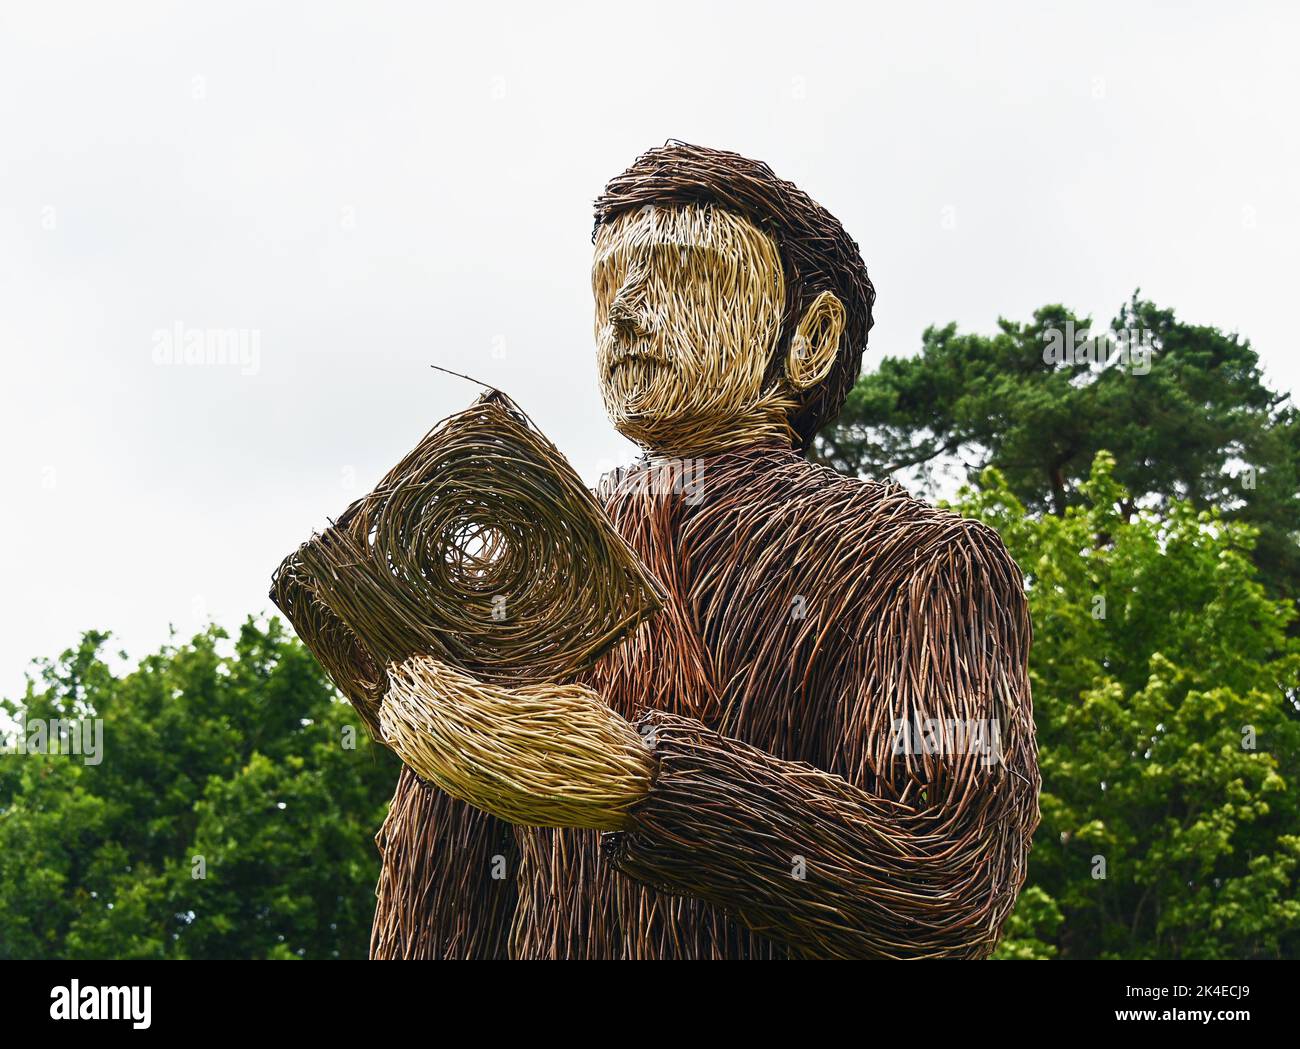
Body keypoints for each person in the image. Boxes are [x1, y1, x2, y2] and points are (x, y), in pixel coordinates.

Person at [366, 142, 1039, 959]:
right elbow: (435, 907)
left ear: (812, 339)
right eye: (609, 284)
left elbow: (945, 880)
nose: (627, 312)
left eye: (685, 272)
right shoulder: (534, 564)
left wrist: (646, 782)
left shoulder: (918, 563)